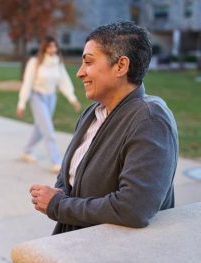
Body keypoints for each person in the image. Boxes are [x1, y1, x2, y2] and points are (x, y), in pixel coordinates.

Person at [29, 21, 178, 233]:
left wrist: (58, 205)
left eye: (88, 62)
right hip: (77, 243)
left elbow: (134, 208)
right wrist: (58, 192)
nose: (80, 73)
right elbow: (68, 176)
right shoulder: (92, 113)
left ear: (121, 66)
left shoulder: (149, 120)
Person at [16, 36, 81, 173]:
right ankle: (56, 161)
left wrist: (72, 98)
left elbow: (64, 81)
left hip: (51, 97)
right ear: (44, 48)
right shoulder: (35, 62)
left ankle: (26, 151)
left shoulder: (58, 63)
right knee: (48, 129)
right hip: (37, 96)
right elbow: (27, 83)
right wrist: (22, 103)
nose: (53, 49)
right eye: (50, 46)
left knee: (40, 128)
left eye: (55, 46)